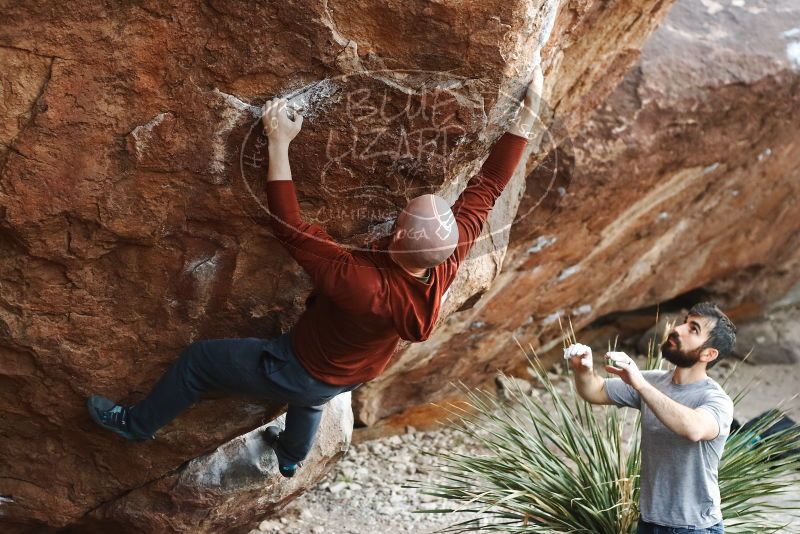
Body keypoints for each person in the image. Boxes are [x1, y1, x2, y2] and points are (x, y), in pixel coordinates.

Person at [87, 65, 544, 478]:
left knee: (199, 362)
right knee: (312, 400)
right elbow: (487, 186)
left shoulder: (359, 280)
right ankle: (290, 457)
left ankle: (136, 425)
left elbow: (291, 226)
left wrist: (279, 142)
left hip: (297, 366)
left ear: (400, 237)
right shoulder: (447, 254)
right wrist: (529, 113)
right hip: (356, 370)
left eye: (400, 218)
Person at [564, 302, 736, 533]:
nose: (679, 329)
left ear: (709, 353)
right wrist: (582, 369)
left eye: (693, 329)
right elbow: (596, 391)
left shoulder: (716, 400)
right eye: (685, 322)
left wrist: (641, 385)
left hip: (694, 527)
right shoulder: (655, 381)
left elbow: (693, 428)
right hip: (649, 522)